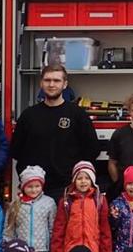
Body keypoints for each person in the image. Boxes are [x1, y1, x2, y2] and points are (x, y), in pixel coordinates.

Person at [10, 64, 100, 203]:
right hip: (35, 189)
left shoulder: (77, 114)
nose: (51, 84)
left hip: (67, 189)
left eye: (57, 81)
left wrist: (77, 180)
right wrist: (28, 179)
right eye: (47, 80)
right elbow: (16, 151)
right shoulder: (29, 115)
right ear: (41, 83)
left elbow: (92, 150)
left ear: (65, 84)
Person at [2, 165, 56, 252]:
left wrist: (53, 249)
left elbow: (52, 228)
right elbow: (9, 228)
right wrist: (8, 247)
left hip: (40, 251)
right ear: (23, 187)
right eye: (30, 186)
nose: (34, 189)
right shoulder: (16, 204)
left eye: (37, 186)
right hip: (20, 251)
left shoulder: (49, 203)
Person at [50, 161, 112, 252]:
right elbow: (59, 230)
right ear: (74, 180)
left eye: (87, 178)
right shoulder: (66, 201)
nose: (83, 181)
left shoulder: (99, 200)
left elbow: (104, 229)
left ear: (92, 180)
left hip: (92, 251)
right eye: (79, 178)